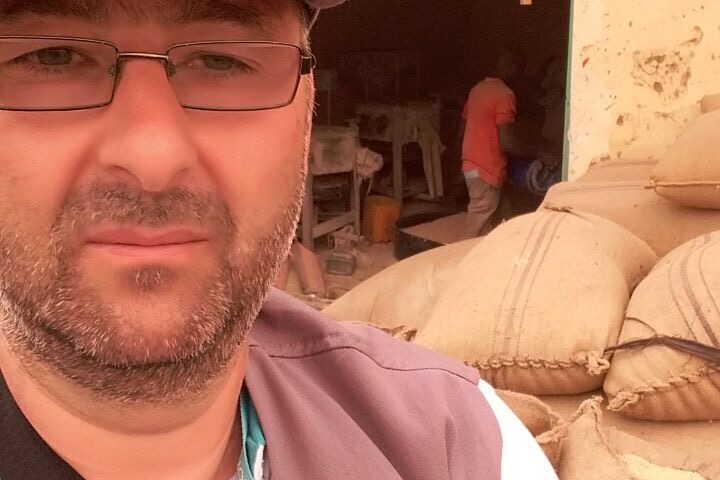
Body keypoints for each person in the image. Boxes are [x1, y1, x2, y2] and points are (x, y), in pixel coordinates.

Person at [0, 1, 557, 479]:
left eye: (223, 60)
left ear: (306, 117)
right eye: (53, 57)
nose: (153, 157)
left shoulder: (458, 447)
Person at [460, 51, 527, 238]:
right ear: (511, 68)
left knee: (500, 213)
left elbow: (462, 127)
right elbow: (506, 141)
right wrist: (537, 153)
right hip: (487, 169)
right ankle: (462, 254)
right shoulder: (505, 94)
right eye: (520, 71)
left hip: (470, 166)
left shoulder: (476, 90)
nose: (521, 78)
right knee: (477, 224)